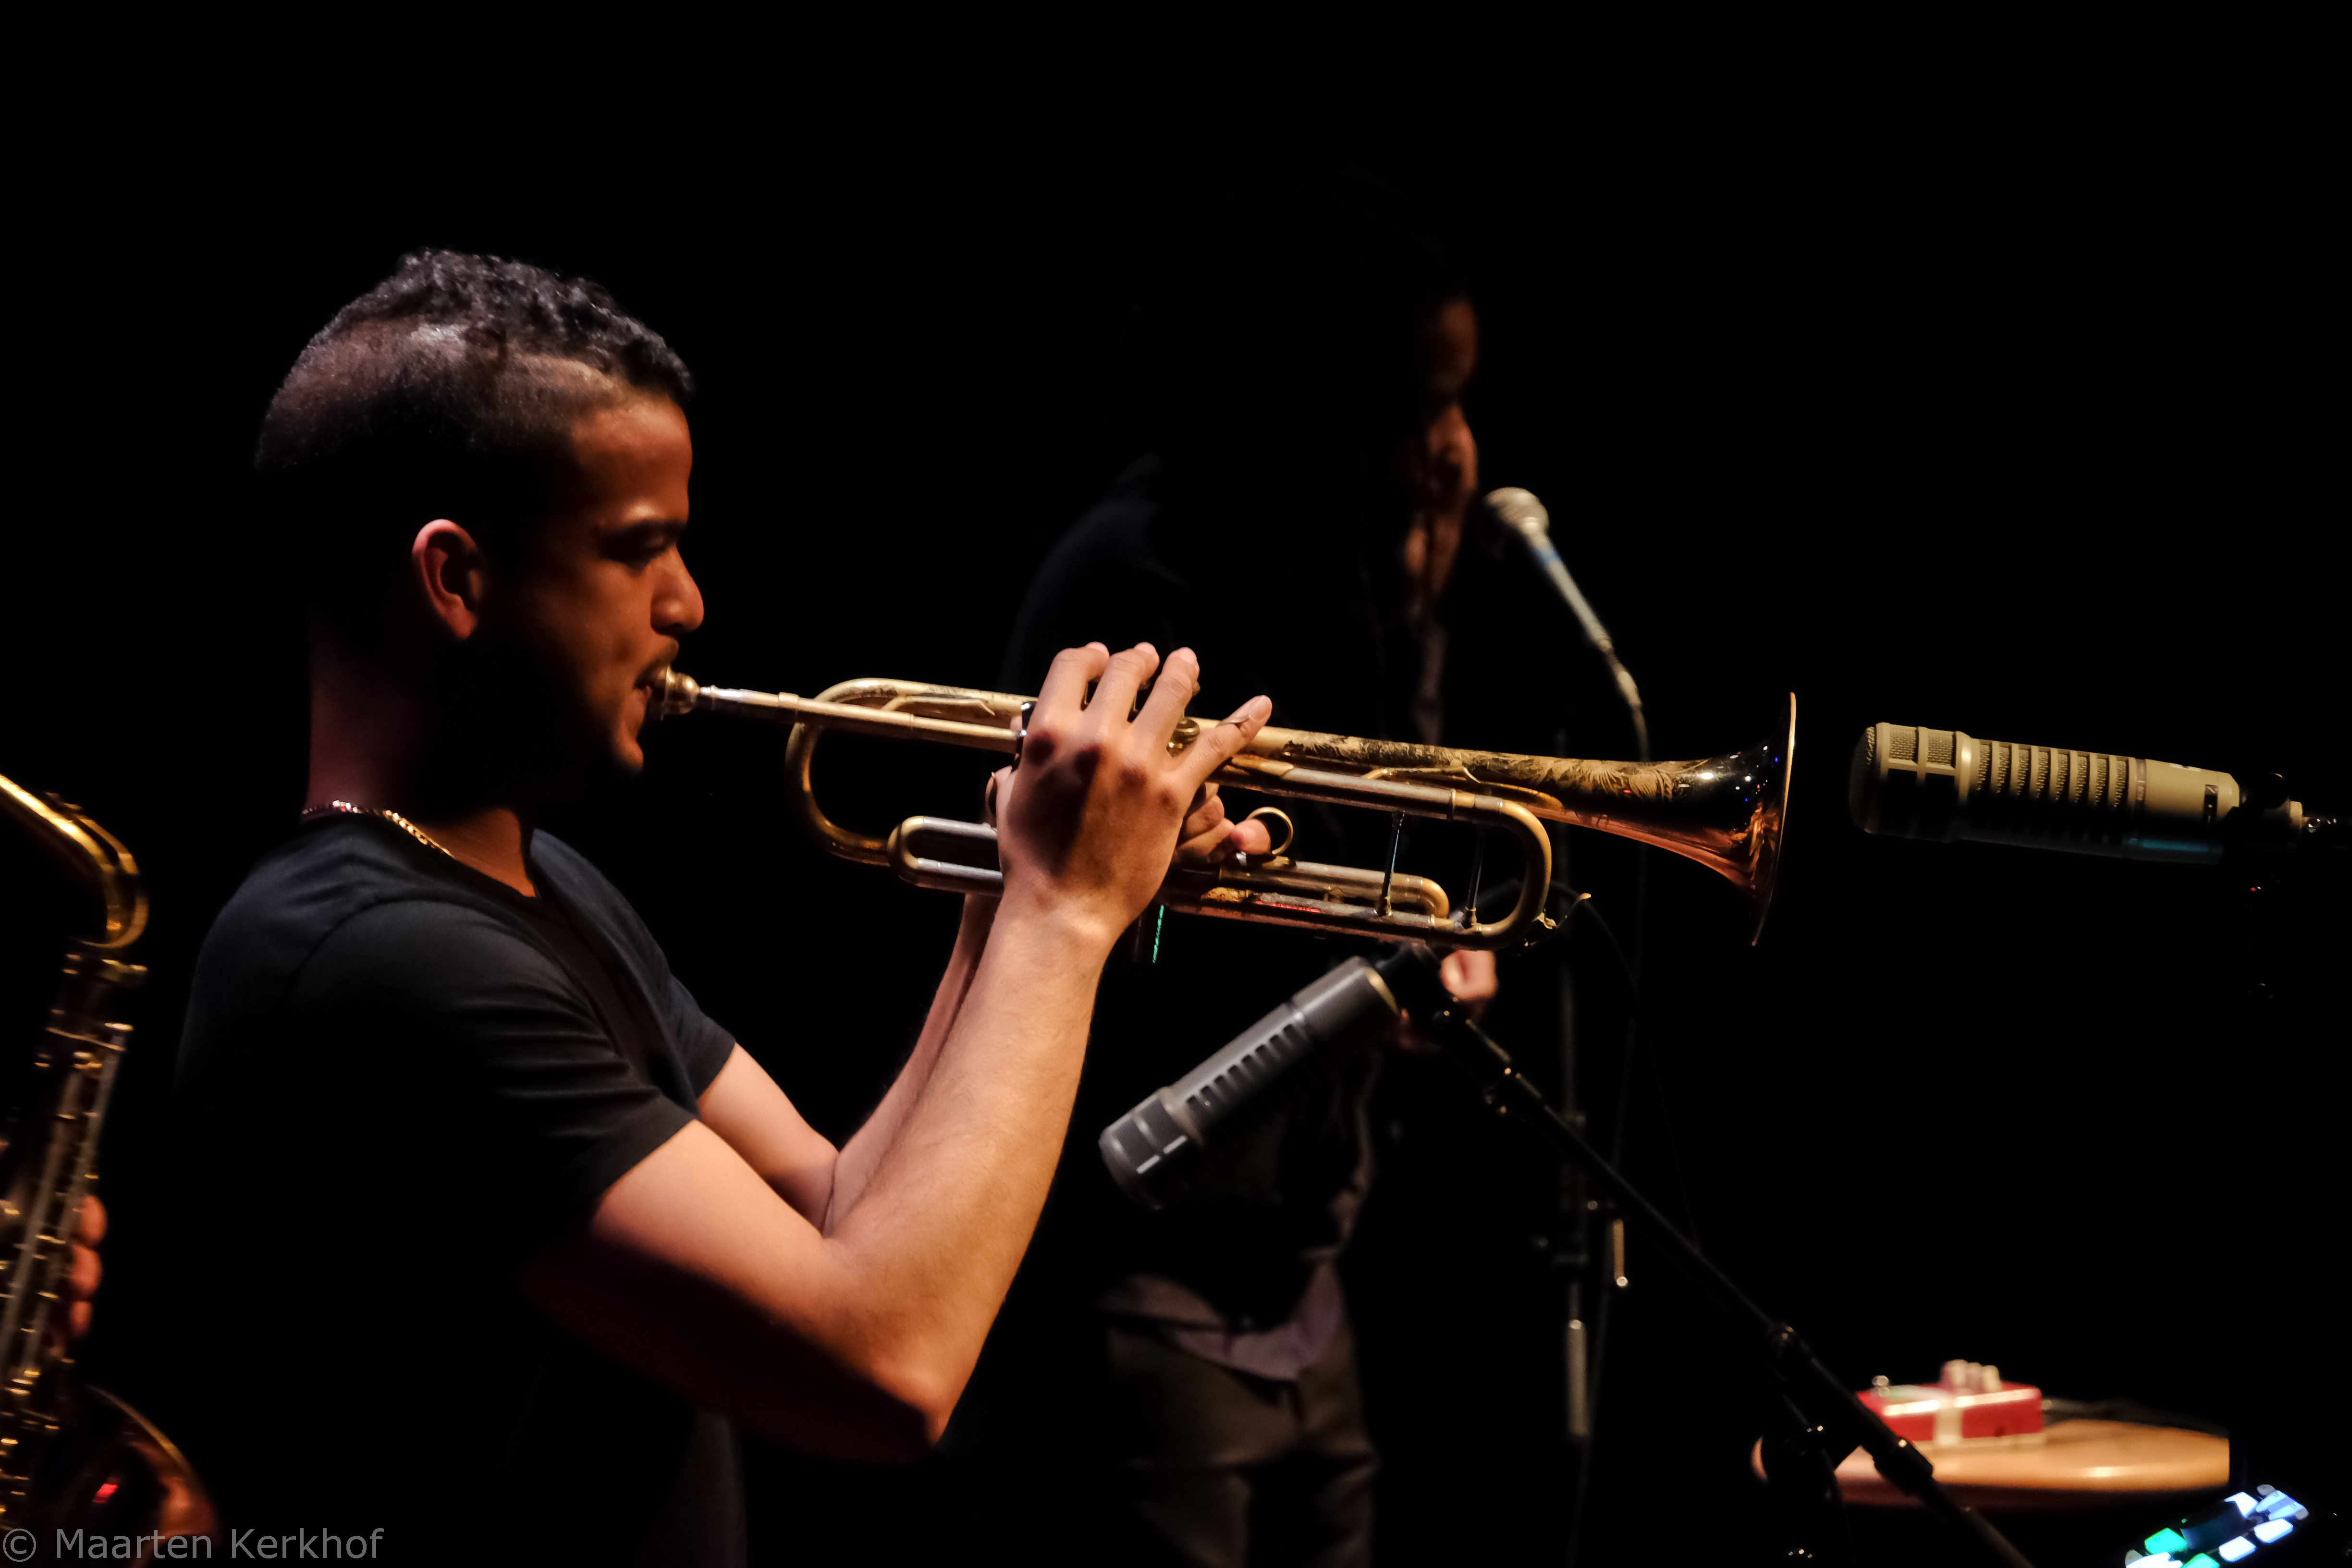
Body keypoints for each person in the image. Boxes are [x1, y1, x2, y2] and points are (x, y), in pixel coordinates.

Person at [164, 250, 1274, 1567]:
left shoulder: (531, 880)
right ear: (455, 579)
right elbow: (886, 1368)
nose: (690, 605)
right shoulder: (377, 960)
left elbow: (832, 1210)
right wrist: (1067, 911)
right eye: (640, 552)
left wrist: (1013, 893)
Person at [971, 174, 1498, 1566]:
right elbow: (1096, 943)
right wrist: (1370, 961)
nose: (1455, 455)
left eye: (1462, 402)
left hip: (1305, 1266)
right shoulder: (1143, 585)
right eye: (1417, 411)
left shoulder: (1338, 567)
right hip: (1147, 1276)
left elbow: (1394, 836)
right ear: (1319, 405)